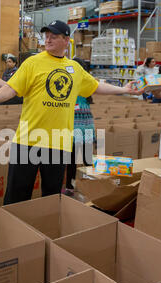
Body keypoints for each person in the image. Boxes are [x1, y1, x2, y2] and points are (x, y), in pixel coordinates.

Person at [0, 20, 144, 205]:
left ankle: (49, 227)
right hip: (28, 140)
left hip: (59, 142)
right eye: (47, 35)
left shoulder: (75, 68)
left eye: (54, 36)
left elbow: (96, 86)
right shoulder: (32, 63)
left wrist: (124, 89)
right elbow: (11, 89)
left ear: (66, 40)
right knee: (16, 195)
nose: (48, 39)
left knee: (52, 197)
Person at [63, 57, 95, 196]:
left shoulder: (73, 84)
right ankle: (93, 186)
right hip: (87, 127)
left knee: (71, 161)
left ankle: (70, 187)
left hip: (75, 128)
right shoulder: (88, 85)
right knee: (87, 159)